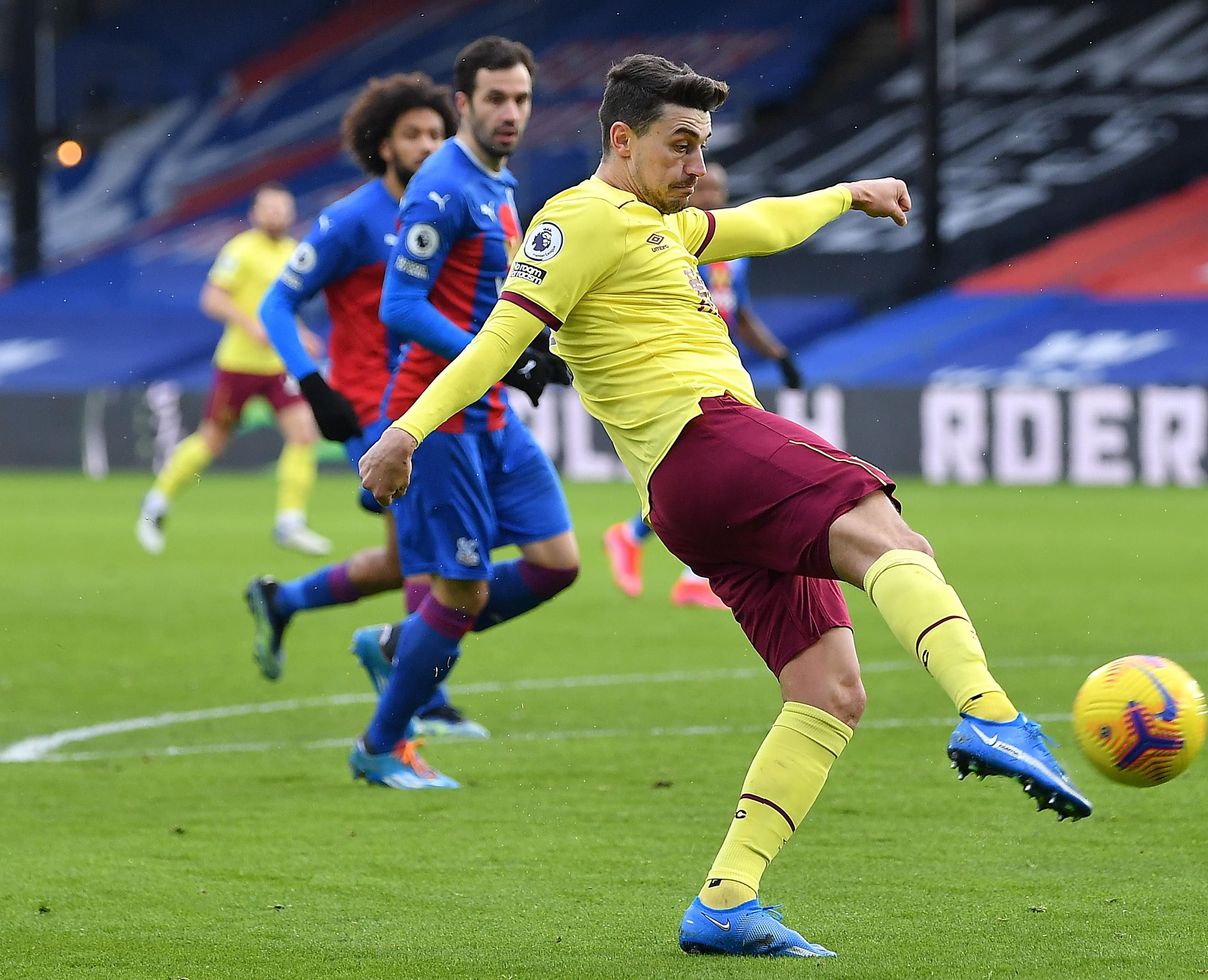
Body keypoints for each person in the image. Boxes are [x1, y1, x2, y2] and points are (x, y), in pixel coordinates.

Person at [361, 53, 1090, 954]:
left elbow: (760, 224)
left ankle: (726, 900)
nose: (696, 164)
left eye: (702, 145)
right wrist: (406, 432)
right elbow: (498, 339)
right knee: (891, 538)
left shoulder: (660, 225)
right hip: (704, 439)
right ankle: (993, 715)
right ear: (621, 139)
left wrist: (847, 195)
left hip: (691, 494)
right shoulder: (578, 219)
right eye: (680, 144)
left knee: (828, 689)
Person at [346, 36, 579, 788]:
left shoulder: (498, 183)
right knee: (464, 590)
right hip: (438, 419)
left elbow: (491, 302)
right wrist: (501, 358)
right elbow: (400, 304)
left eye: (521, 99)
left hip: (494, 416)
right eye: (495, 99)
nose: (511, 112)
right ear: (463, 105)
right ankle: (380, 747)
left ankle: (402, 643)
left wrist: (531, 348)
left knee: (556, 564)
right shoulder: (441, 187)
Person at [238, 74, 491, 739]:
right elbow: (275, 303)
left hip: (431, 397)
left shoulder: (448, 210)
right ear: (383, 146)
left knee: (405, 558)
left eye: (436, 133)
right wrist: (312, 386)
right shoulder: (352, 219)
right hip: (372, 408)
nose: (427, 144)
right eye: (412, 134)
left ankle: (281, 600)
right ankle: (425, 701)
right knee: (431, 551)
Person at [602, 162, 804, 610]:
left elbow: (740, 315)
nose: (710, 195)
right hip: (683, 374)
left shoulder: (734, 252)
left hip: (722, 369)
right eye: (704, 187)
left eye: (718, 189)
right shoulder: (670, 239)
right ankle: (685, 571)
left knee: (716, 475)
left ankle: (646, 546)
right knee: (719, 471)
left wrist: (780, 357)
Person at [136, 183, 331, 556]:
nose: (277, 214)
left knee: (304, 434)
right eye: (269, 208)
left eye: (283, 208)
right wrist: (250, 324)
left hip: (277, 365)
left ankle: (290, 522)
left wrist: (301, 334)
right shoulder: (240, 250)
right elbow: (212, 298)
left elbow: (282, 306)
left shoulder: (293, 252)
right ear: (254, 213)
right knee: (213, 440)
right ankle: (156, 502)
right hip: (239, 364)